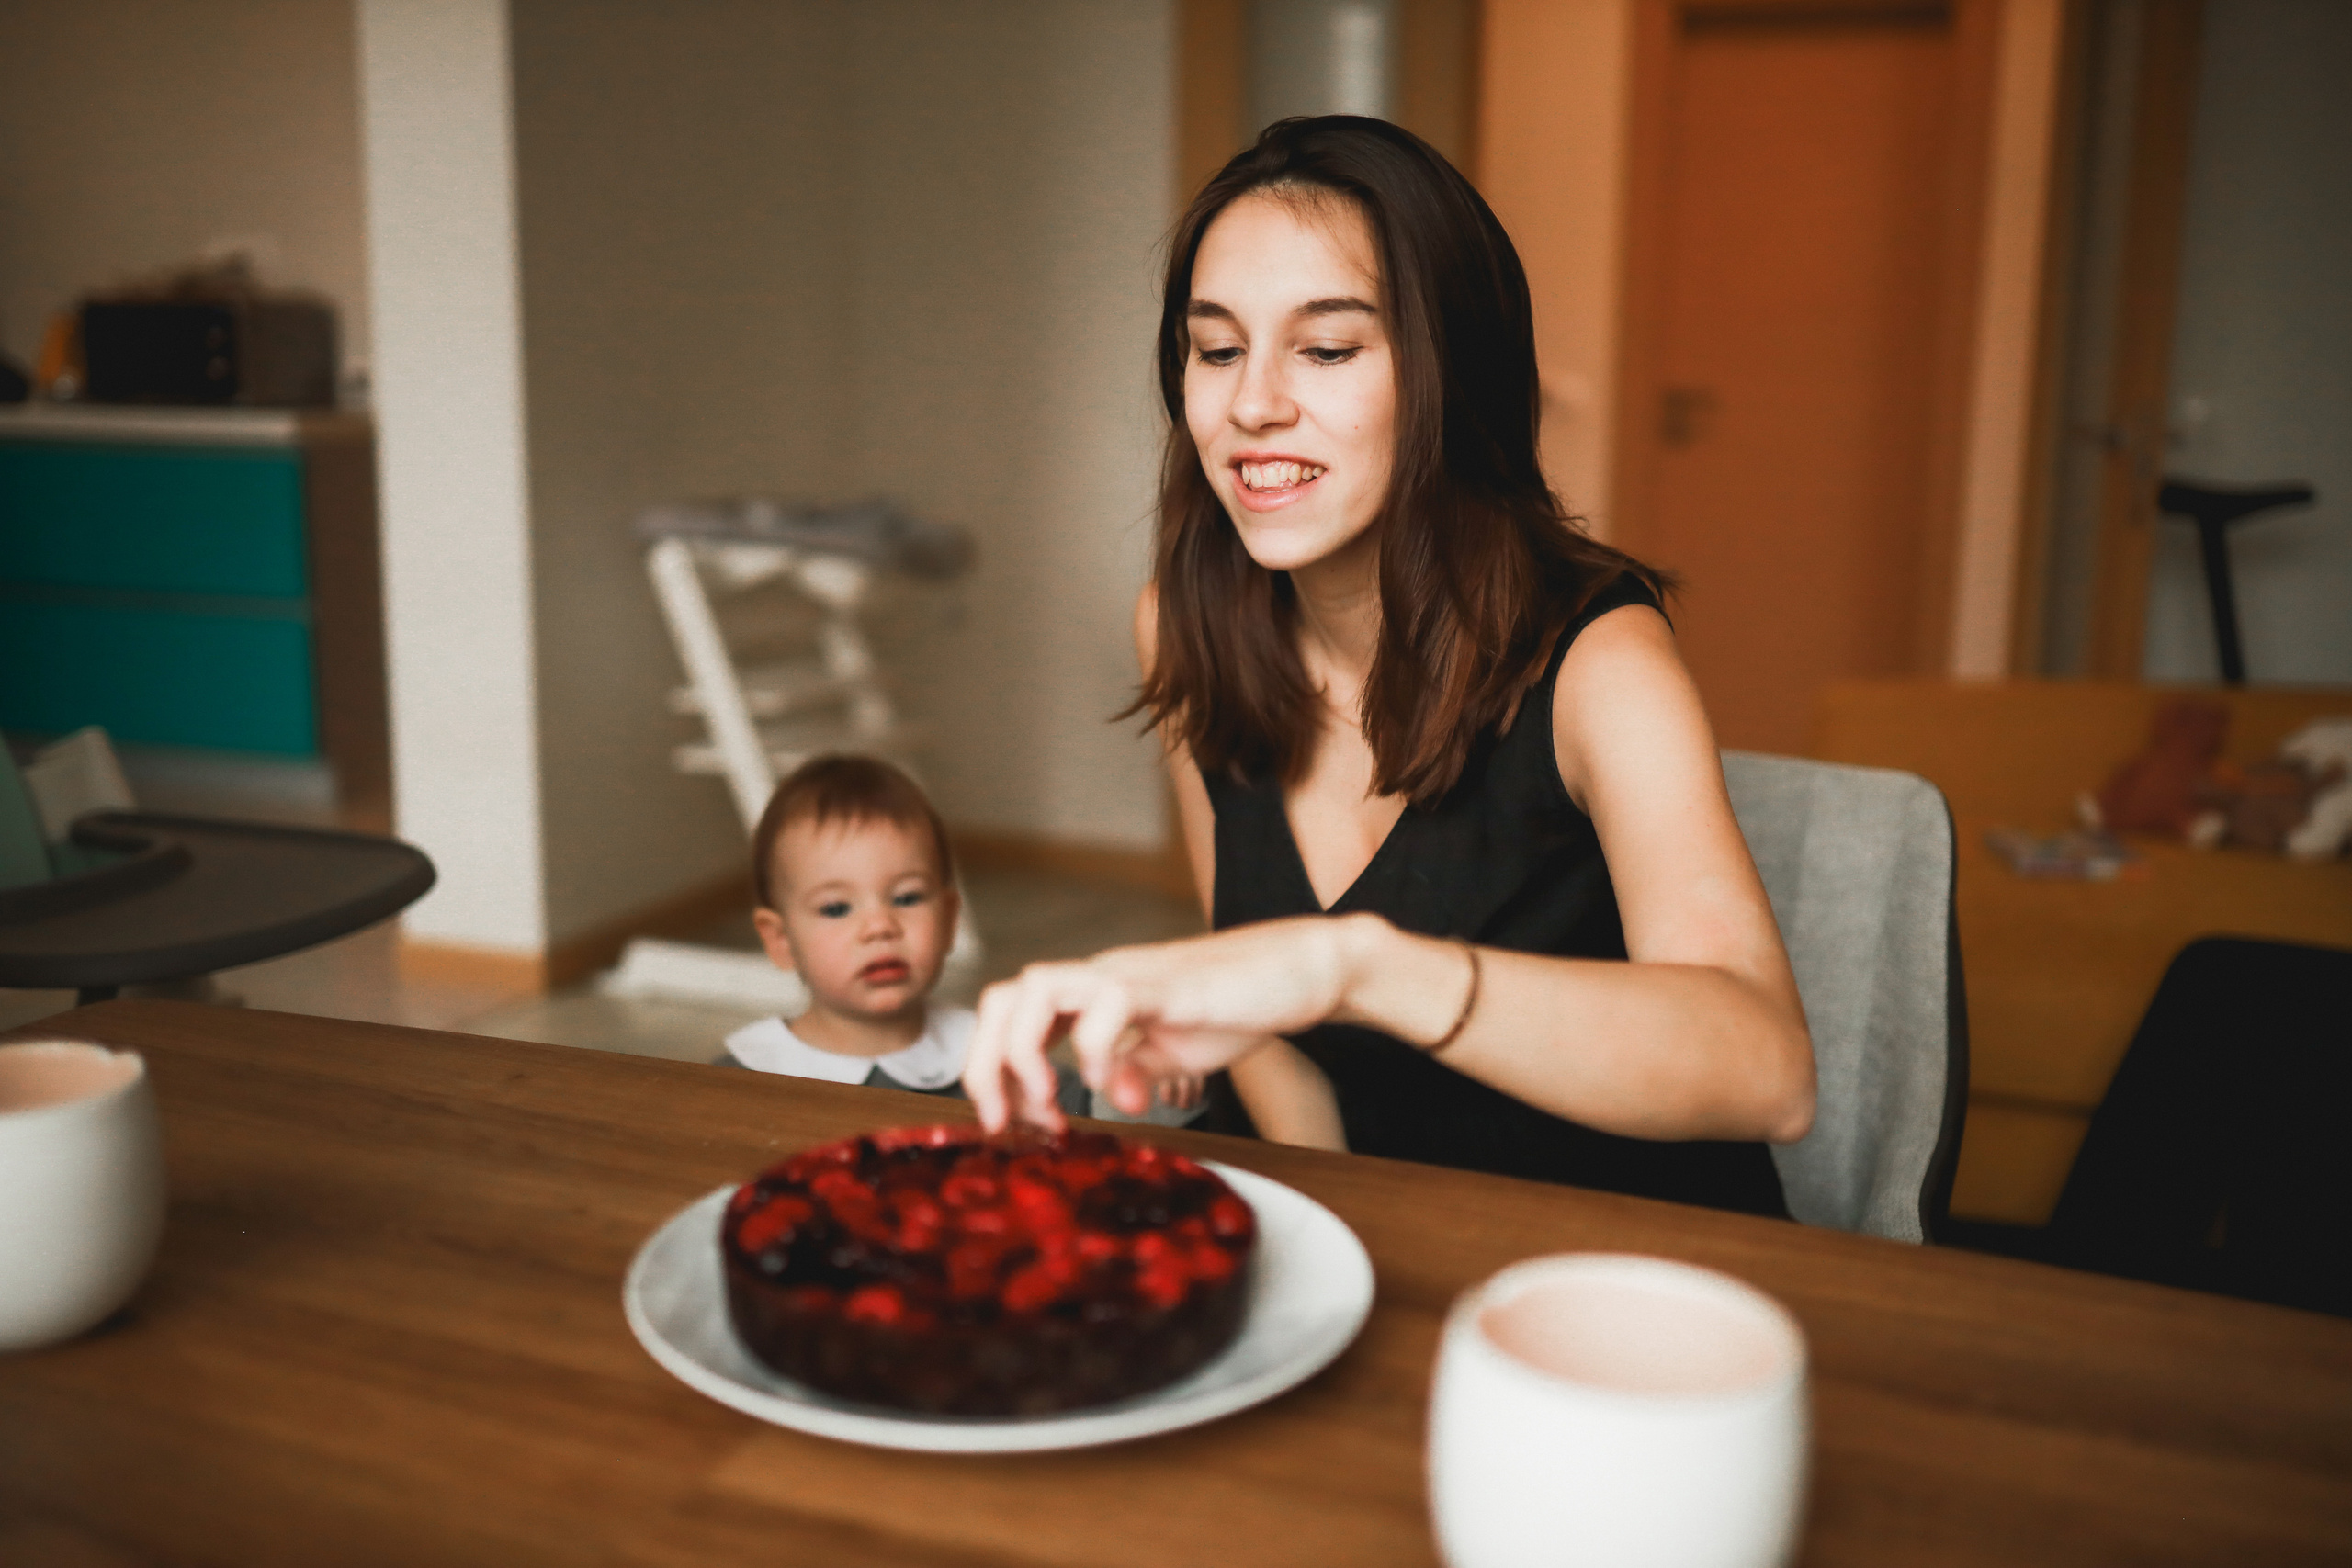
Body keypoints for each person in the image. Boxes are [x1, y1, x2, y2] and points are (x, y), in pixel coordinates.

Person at [963, 117, 1815, 1216]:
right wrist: (1336, 1238)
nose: (1252, 402)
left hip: (1605, 1270)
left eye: (1325, 348)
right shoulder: (1183, 624)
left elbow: (1768, 1072)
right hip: (1366, 1230)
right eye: (1216, 348)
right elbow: (1268, 1028)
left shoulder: (1602, 659)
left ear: (1450, 375)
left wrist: (1354, 967)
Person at [717, 754, 1091, 1113]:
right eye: (836, 908)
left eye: (907, 897)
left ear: (948, 920)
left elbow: (1082, 1113)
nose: (880, 927)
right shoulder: (746, 1078)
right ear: (780, 941)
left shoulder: (989, 1054)